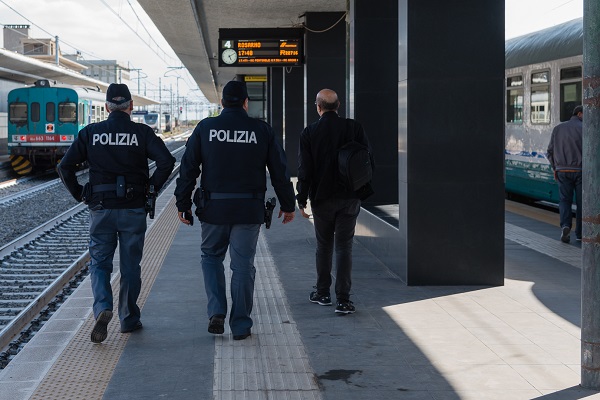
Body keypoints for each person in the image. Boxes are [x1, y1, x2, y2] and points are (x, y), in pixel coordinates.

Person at [174, 80, 296, 340]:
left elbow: (188, 169)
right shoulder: (261, 130)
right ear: (245, 102)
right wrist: (288, 205)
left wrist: (182, 204)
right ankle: (240, 325)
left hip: (213, 208)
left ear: (221, 103)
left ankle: (217, 311)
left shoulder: (206, 127)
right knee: (242, 267)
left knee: (211, 257)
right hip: (248, 209)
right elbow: (279, 172)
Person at [58, 83, 175, 343]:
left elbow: (64, 166)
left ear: (108, 106)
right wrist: (152, 188)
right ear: (131, 106)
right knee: (131, 265)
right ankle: (129, 319)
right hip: (133, 208)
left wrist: (80, 194)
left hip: (101, 208)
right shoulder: (142, 133)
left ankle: (103, 308)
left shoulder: (90, 133)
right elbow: (167, 161)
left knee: (100, 262)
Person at [296, 88, 373, 315]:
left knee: (324, 246)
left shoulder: (309, 133)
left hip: (322, 199)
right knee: (344, 247)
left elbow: (305, 170)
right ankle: (343, 300)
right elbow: (368, 160)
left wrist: (301, 198)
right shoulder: (354, 128)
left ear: (318, 107)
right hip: (349, 198)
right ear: (338, 106)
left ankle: (322, 293)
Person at [547, 104, 583, 243]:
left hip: (562, 170)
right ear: (580, 114)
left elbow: (550, 151)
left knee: (564, 200)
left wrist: (555, 167)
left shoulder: (558, 129)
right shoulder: (586, 128)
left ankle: (566, 226)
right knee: (581, 203)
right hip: (581, 171)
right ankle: (580, 233)